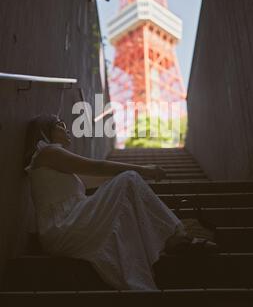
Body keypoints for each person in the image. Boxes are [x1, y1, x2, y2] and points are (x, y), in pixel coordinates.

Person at [24, 114, 216, 291]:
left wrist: (133, 183)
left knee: (126, 187)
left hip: (67, 227)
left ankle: (170, 237)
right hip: (63, 227)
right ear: (45, 132)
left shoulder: (56, 164)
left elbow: (99, 176)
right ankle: (176, 234)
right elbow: (98, 167)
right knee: (129, 178)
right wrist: (144, 170)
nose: (67, 130)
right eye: (60, 126)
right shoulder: (48, 152)